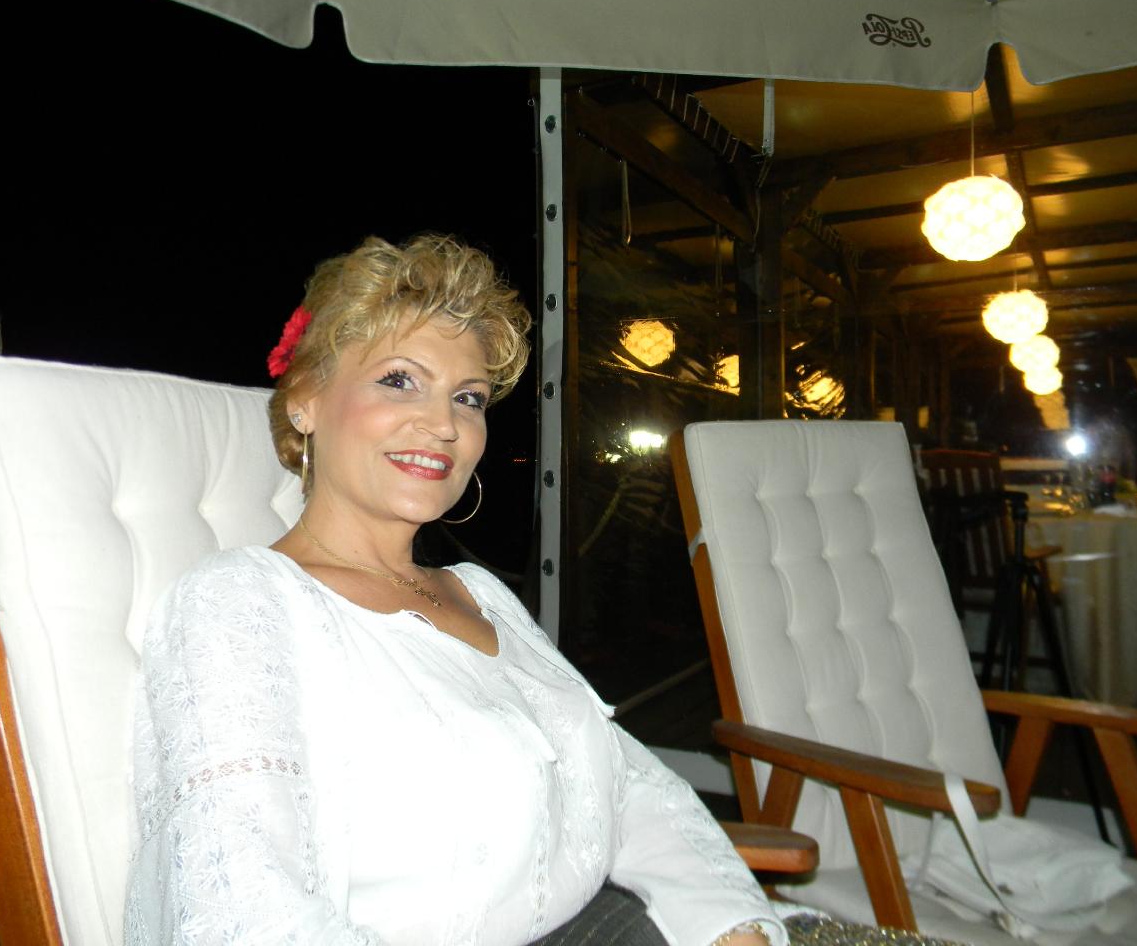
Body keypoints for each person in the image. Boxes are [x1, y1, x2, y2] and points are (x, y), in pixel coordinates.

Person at [124, 233, 798, 945]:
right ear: (306, 402)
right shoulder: (240, 604)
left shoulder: (481, 594)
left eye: (468, 398)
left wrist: (731, 923)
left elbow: (625, 782)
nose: (444, 424)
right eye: (399, 380)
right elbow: (244, 907)